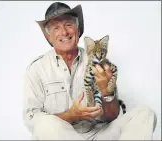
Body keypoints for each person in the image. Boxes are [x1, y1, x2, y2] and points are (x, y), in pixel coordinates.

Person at [23, 2, 157, 140]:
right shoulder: (37, 69)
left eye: (69, 24)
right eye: (56, 28)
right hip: (62, 135)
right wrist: (70, 115)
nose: (64, 32)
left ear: (78, 29)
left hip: (99, 134)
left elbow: (112, 116)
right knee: (44, 124)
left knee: (144, 114)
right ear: (48, 37)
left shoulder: (98, 62)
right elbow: (32, 120)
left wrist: (107, 93)